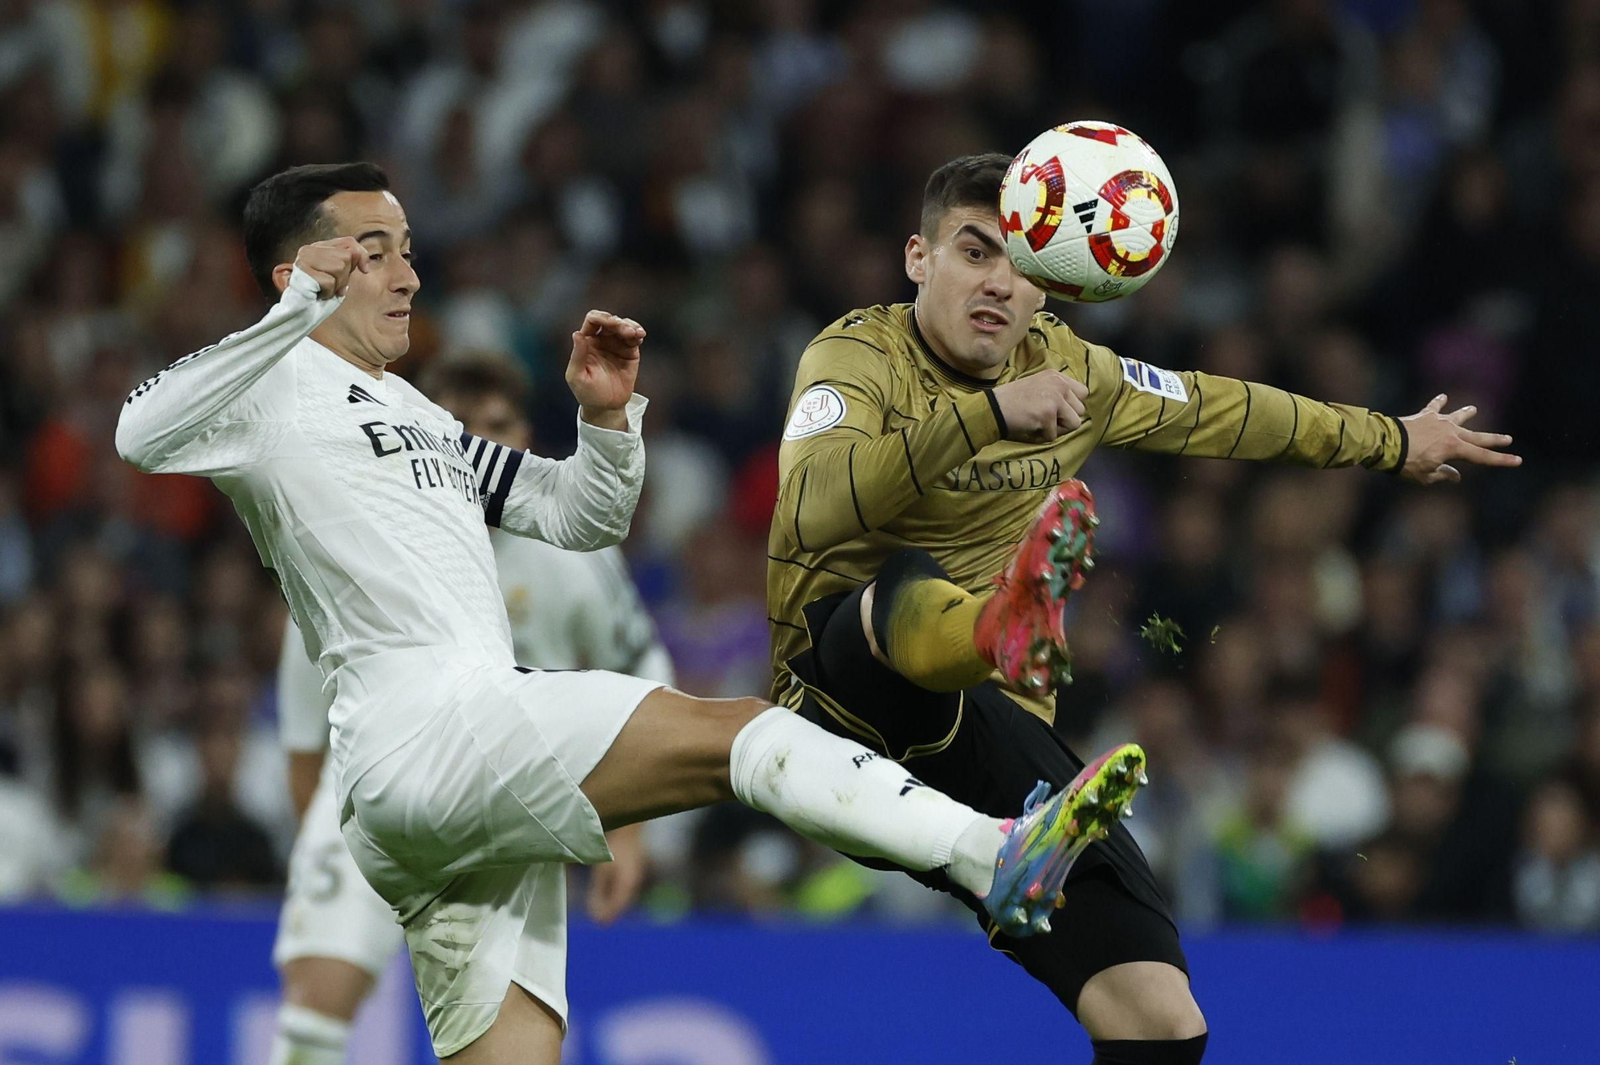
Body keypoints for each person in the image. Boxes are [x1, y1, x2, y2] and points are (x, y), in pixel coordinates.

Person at [114, 161, 1140, 1064]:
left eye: (408, 251)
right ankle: (986, 854)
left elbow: (577, 513)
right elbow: (141, 432)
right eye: (376, 253)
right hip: (432, 727)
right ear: (308, 267)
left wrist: (603, 420)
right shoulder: (268, 383)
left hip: (443, 792)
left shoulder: (415, 413)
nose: (408, 276)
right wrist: (293, 311)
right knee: (739, 730)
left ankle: (988, 854)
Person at [766, 153, 1522, 1065]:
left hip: (983, 727)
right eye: (974, 252)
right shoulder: (855, 355)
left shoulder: (1077, 375)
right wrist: (991, 414)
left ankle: (1011, 726)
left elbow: (1228, 410)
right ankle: (996, 626)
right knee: (899, 582)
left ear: (1055, 287)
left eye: (1026, 267)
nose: (1001, 284)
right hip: (834, 704)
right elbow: (814, 507)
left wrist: (1392, 439)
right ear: (917, 258)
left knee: (1161, 1017)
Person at [267, 354, 674, 1065]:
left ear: (523, 435)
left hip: (508, 799)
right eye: (461, 427)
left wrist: (630, 834)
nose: (482, 443)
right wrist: (327, 849)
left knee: (507, 1037)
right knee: (315, 1007)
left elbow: (639, 671)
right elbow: (306, 744)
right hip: (375, 785)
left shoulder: (572, 552)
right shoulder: (350, 537)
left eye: (500, 426)